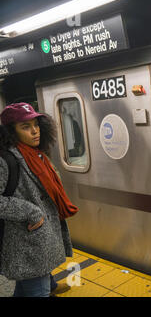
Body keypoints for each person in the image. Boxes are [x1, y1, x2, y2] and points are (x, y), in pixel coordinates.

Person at [0, 103, 78, 297]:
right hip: (25, 237)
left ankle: (49, 285)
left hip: (39, 236)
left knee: (28, 284)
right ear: (11, 132)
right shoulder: (6, 160)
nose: (35, 131)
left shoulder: (35, 153)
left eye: (36, 125)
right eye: (25, 127)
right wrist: (31, 212)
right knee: (37, 289)